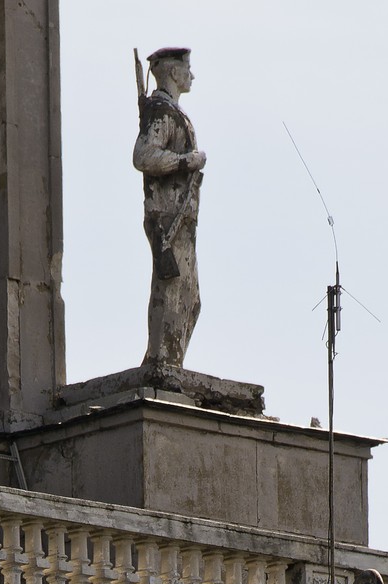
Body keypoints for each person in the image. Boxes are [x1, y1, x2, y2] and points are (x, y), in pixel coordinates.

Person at [132, 47, 206, 379]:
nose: (192, 75)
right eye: (188, 68)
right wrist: (184, 161)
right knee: (173, 290)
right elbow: (144, 156)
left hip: (181, 218)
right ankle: (162, 364)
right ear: (175, 73)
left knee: (189, 298)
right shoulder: (161, 111)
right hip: (168, 218)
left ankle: (166, 364)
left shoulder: (170, 111)